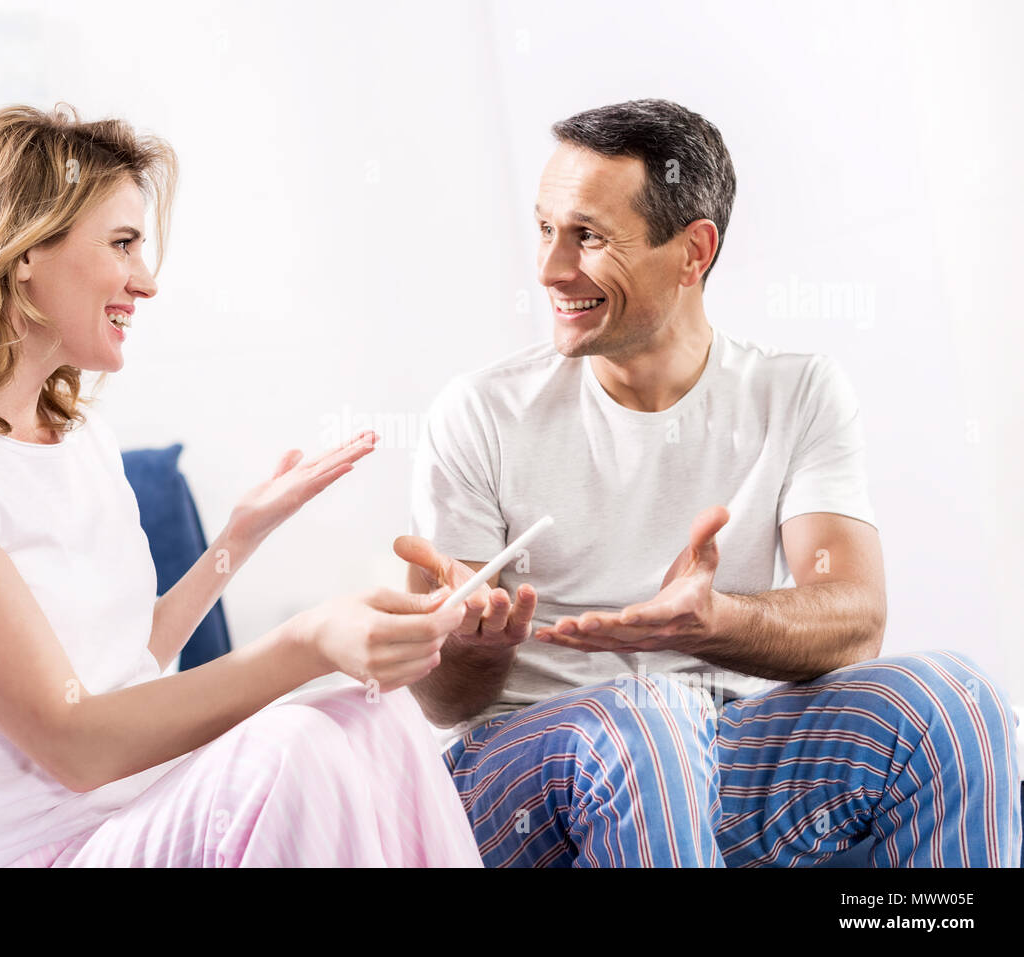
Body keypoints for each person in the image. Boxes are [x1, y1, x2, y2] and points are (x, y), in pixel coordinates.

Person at [0, 103, 482, 868]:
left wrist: (236, 541)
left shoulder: (82, 440)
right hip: (31, 850)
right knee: (289, 746)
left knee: (380, 717)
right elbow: (75, 741)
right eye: (123, 243)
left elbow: (125, 666)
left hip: (140, 807)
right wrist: (308, 641)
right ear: (27, 248)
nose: (148, 281)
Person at [395, 98, 1021, 867]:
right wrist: (472, 643)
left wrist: (712, 621)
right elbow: (441, 698)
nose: (551, 267)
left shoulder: (796, 393)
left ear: (693, 252)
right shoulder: (481, 412)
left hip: (715, 745)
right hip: (519, 768)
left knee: (953, 701)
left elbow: (855, 622)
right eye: (545, 228)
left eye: (586, 236)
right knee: (650, 722)